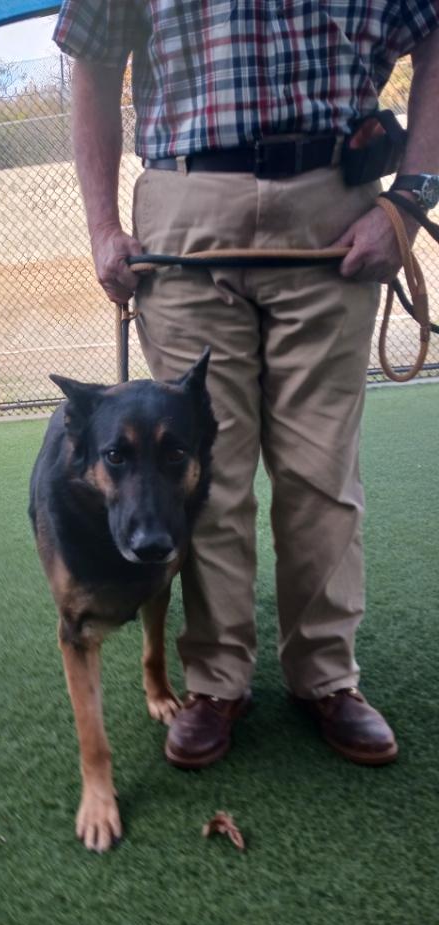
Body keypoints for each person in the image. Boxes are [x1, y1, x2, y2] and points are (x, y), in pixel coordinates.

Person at [53, 1, 439, 768]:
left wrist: (410, 197)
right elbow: (92, 60)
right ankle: (216, 682)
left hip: (337, 205)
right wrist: (102, 227)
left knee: (321, 469)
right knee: (199, 478)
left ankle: (326, 676)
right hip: (186, 210)